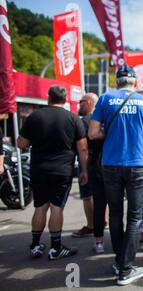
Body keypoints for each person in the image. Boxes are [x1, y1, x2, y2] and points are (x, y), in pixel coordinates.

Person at [89, 65, 143, 285]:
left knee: (116, 213)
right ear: (134, 82)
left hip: (110, 163)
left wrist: (109, 132)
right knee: (135, 216)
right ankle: (126, 269)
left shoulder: (105, 99)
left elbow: (92, 133)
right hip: (137, 163)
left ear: (117, 81)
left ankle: (120, 262)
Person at [17, 85, 88, 260]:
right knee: (56, 207)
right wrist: (84, 170)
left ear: (48, 97)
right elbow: (83, 148)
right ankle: (55, 247)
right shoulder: (73, 118)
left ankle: (35, 245)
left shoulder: (35, 117)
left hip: (38, 169)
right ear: (64, 100)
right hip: (62, 170)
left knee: (40, 206)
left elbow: (21, 144)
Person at [71, 93, 98, 238]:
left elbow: (83, 147)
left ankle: (91, 225)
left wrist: (84, 169)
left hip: (88, 161)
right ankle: (102, 220)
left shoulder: (84, 121)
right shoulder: (103, 119)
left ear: (88, 103)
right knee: (101, 195)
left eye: (81, 102)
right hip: (104, 162)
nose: (79, 105)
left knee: (87, 196)